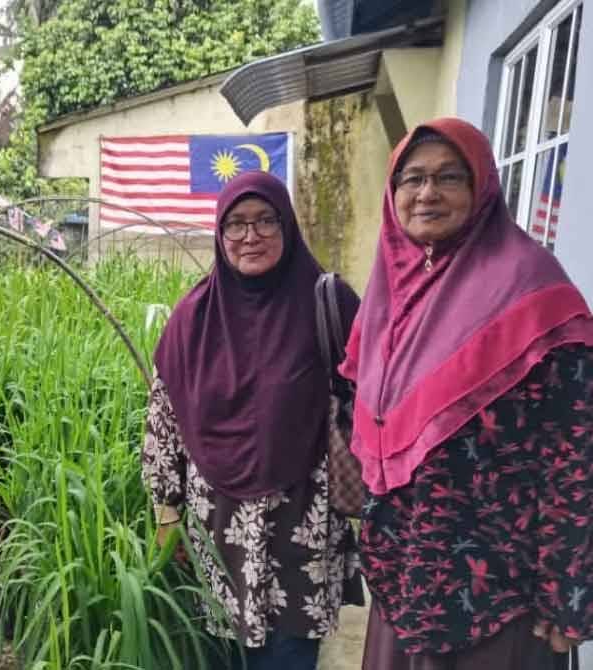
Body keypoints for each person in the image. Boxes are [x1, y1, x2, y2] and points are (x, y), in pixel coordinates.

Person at [342, 117, 593, 669]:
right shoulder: (391, 295)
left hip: (496, 594)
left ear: (481, 187)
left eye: (449, 177)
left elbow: (573, 455)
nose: (427, 193)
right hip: (404, 576)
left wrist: (567, 593)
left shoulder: (533, 290)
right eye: (411, 179)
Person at [142, 170, 364, 670]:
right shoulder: (192, 318)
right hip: (215, 529)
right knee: (218, 655)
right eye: (235, 224)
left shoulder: (329, 303)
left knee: (287, 658)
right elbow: (163, 424)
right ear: (220, 235)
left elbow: (372, 401)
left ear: (287, 225)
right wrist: (166, 516)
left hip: (301, 525)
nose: (251, 236)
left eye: (265, 220)